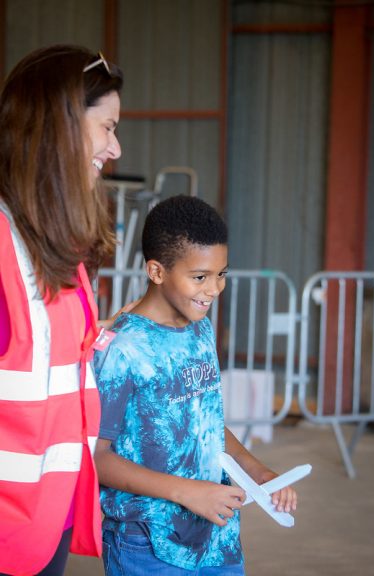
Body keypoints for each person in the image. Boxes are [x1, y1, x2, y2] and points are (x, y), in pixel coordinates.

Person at [94, 195, 297, 575]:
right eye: (200, 277)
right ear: (156, 272)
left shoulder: (200, 328)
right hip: (148, 542)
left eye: (222, 274)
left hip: (215, 537)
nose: (215, 289)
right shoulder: (122, 349)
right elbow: (97, 457)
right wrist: (187, 492)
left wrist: (258, 472)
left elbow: (203, 419)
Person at [0, 44, 123, 576]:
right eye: (107, 127)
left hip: (46, 520)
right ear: (61, 126)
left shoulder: (60, 252)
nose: (115, 149)